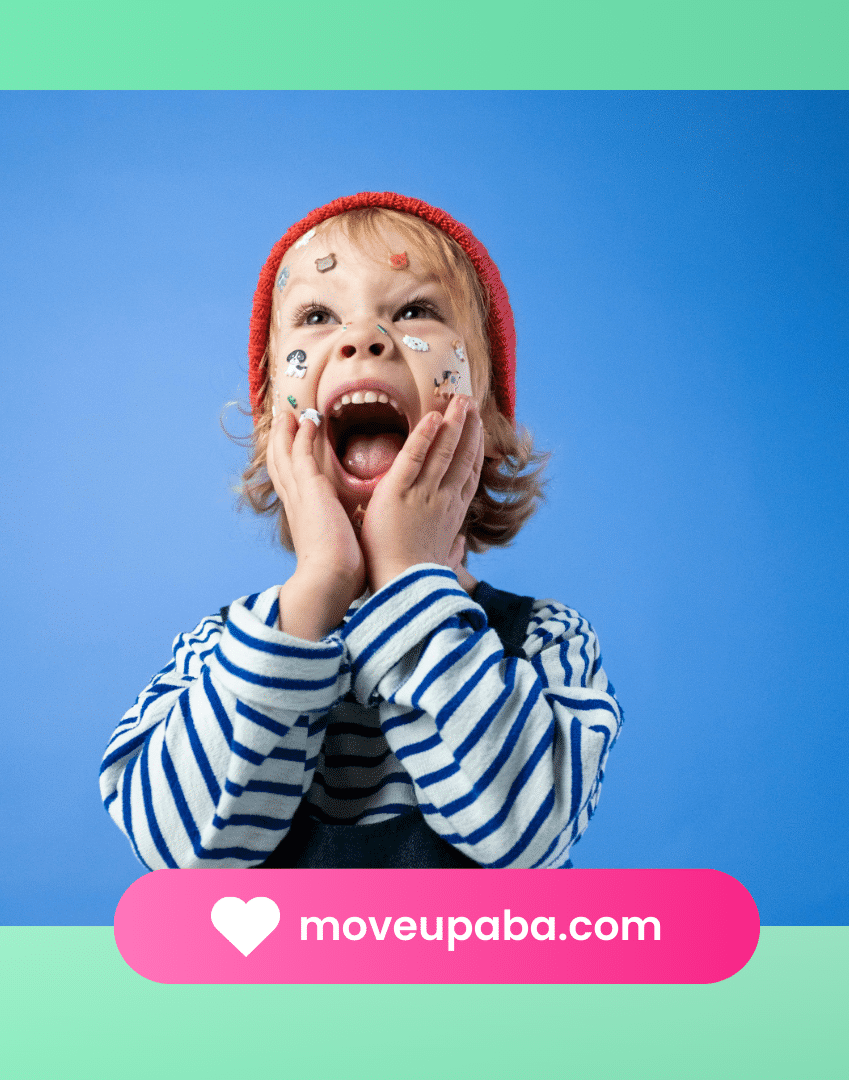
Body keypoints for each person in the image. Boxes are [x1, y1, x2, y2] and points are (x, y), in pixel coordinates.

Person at [98, 192, 620, 869]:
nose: (363, 338)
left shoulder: (545, 642)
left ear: (485, 422)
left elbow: (524, 836)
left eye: (414, 311)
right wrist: (318, 588)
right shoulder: (223, 652)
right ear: (272, 434)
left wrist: (410, 581)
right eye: (317, 316)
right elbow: (180, 852)